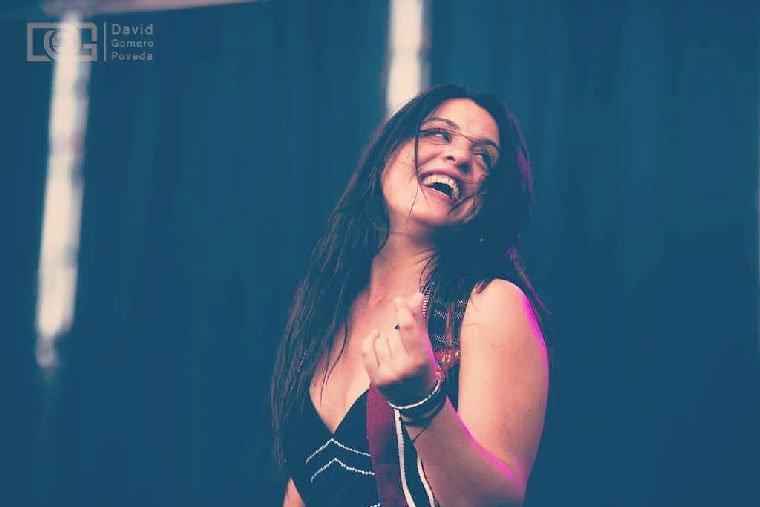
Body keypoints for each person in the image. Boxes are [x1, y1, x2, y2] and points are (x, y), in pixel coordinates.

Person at [271, 84, 549, 506]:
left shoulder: (490, 305)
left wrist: (422, 402)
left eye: (484, 157)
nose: (460, 156)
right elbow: (303, 489)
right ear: (386, 153)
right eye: (439, 133)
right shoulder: (328, 307)